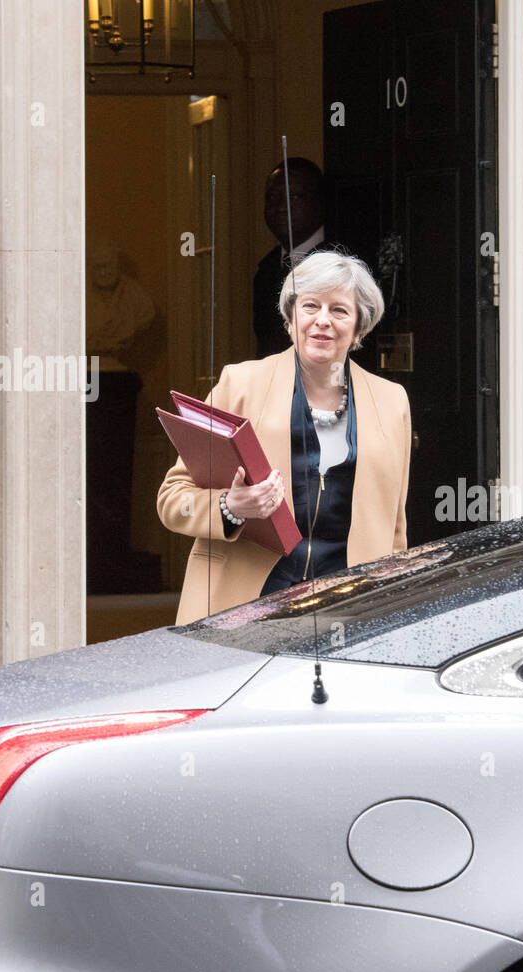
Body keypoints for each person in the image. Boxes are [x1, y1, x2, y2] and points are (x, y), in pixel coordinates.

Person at [159, 250, 411, 624]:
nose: (322, 321)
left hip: (351, 608)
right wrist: (231, 507)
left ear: (359, 326)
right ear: (290, 318)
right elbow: (173, 500)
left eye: (339, 310)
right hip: (244, 607)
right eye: (310, 306)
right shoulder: (239, 384)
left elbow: (394, 530)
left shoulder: (392, 402)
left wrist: (393, 610)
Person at [253, 158, 328, 358]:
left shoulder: (338, 265)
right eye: (273, 197)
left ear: (320, 201)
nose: (280, 207)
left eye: (294, 197)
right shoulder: (266, 270)